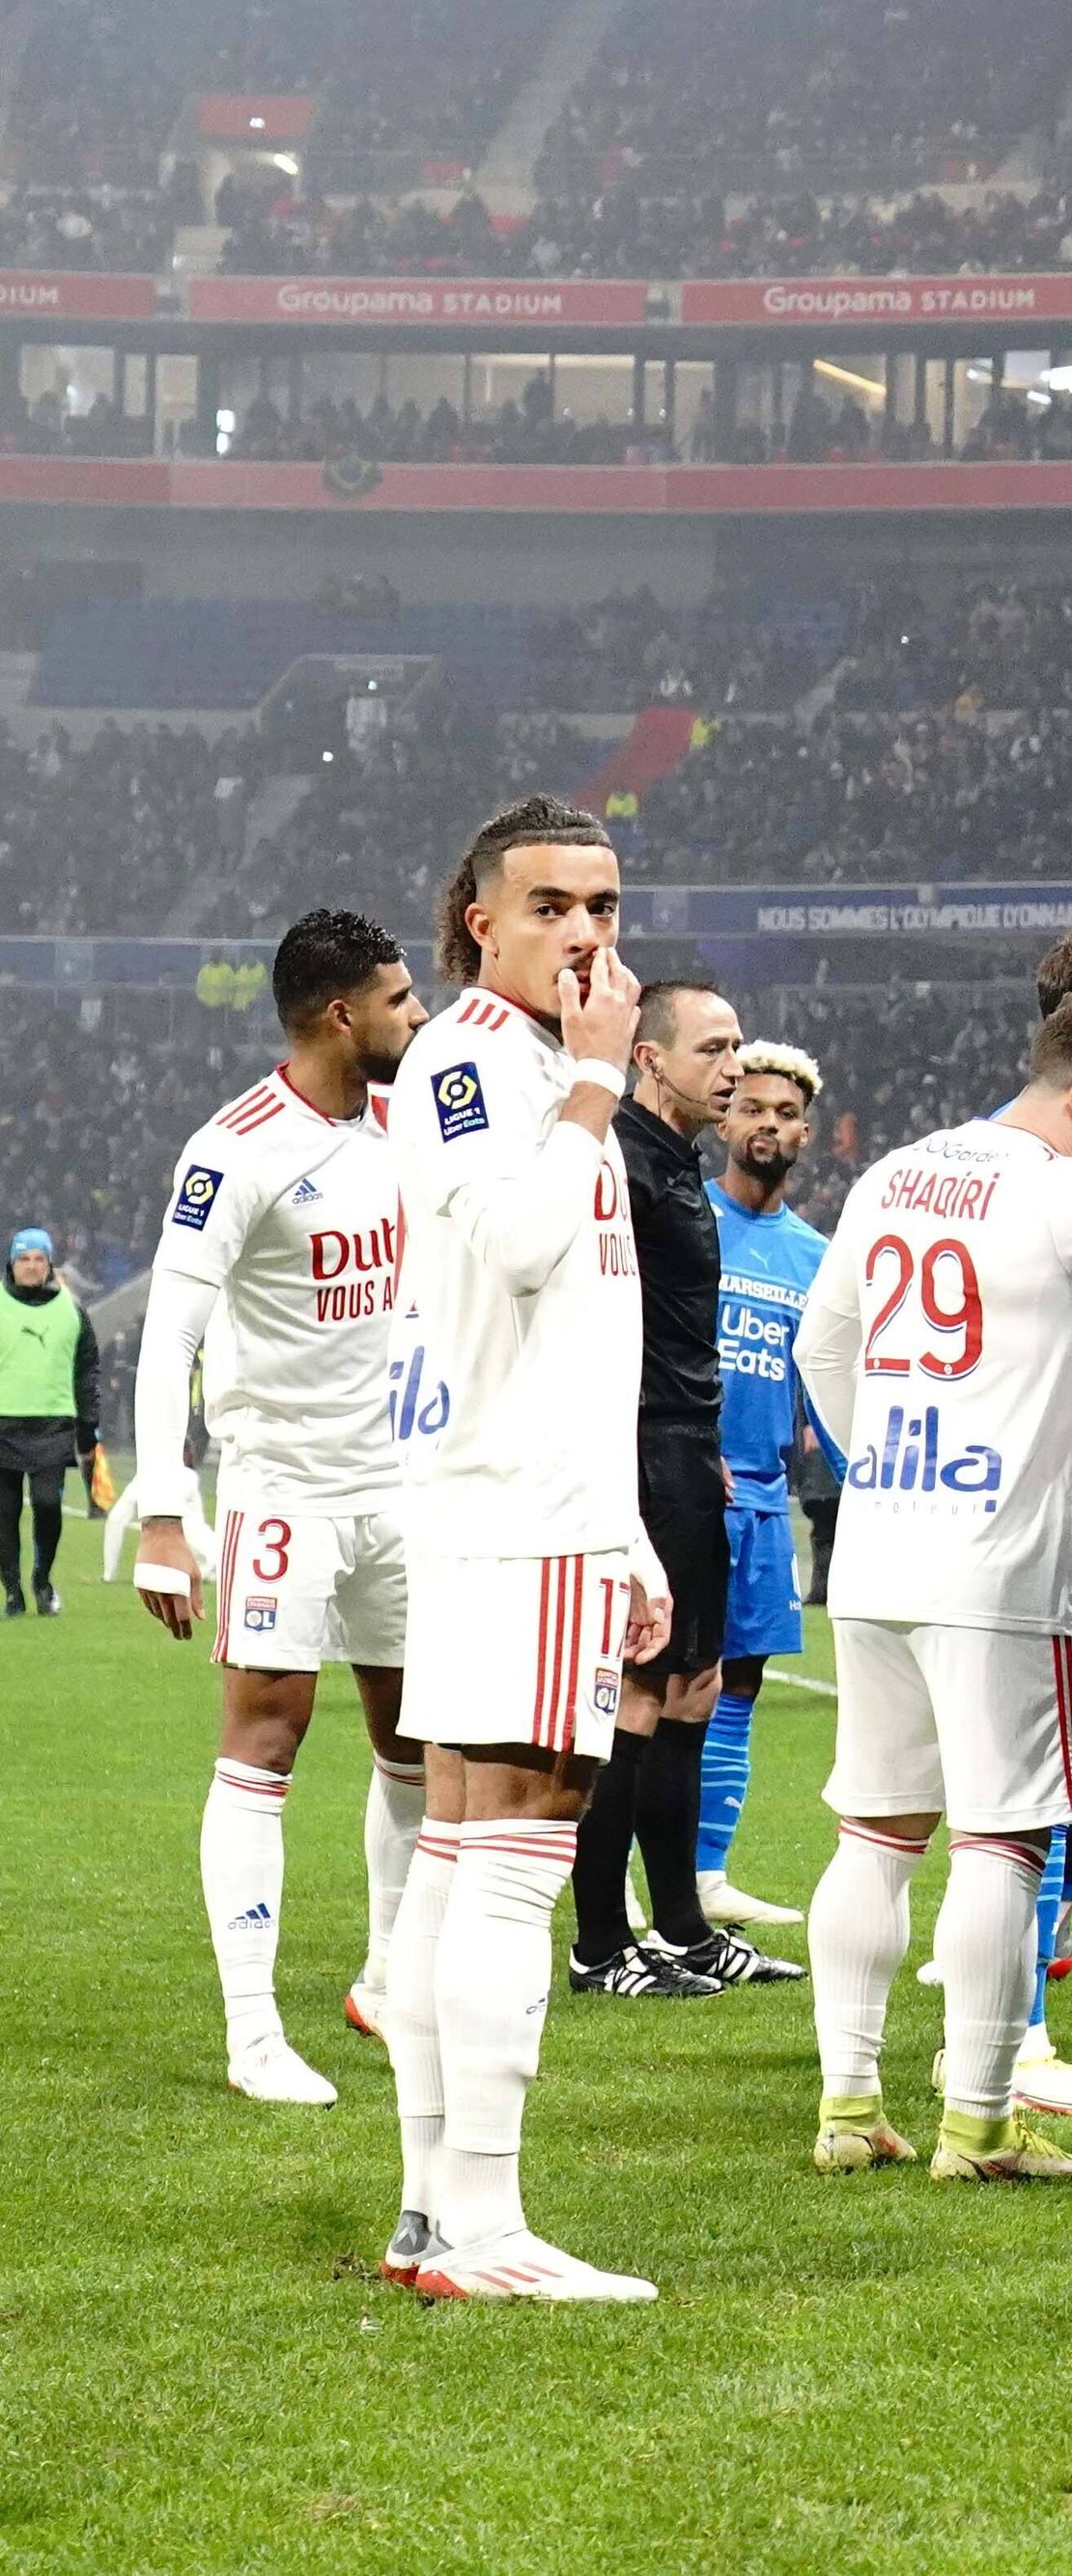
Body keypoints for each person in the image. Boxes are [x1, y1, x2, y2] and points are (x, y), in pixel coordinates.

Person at [792, 994, 1072, 2186]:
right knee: (1004, 1840)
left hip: (879, 1555)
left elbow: (826, 1345)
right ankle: (977, 2122)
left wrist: (890, 1471)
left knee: (873, 1831)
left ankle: (848, 2107)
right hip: (1005, 1568)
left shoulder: (893, 1178)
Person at [379, 794, 669, 2303]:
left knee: (457, 1854)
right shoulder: (495, 1063)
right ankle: (489, 2224)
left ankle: (432, 2210)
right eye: (551, 904)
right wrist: (601, 1088)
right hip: (516, 1505)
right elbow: (519, 1247)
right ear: (478, 917)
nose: (585, 933)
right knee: (516, 1859)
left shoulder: (538, 1068)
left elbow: (566, 1324)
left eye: (604, 907)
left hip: (518, 1498)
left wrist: (624, 1522)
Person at [128, 908, 430, 2105]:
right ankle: (254, 2033)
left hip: (403, 1483)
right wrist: (164, 1511)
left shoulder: (411, 1122)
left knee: (415, 1740)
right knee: (269, 1738)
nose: (420, 1016)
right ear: (339, 1015)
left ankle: (389, 1978)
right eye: (401, 1000)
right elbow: (171, 1335)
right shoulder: (235, 1149)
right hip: (285, 1489)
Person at [569, 980, 795, 1999]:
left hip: (686, 1446)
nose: (735, 1066)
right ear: (650, 1058)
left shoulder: (675, 1163)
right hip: (641, 1445)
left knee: (692, 1684)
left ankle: (685, 1928)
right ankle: (600, 1945)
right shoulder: (613, 1156)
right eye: (714, 1047)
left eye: (738, 1044)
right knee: (636, 1693)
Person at [693, 1037, 828, 1930]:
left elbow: (822, 1390)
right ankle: (627, 1875)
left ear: (805, 1132)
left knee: (738, 1685)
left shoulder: (816, 1256)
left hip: (762, 1498)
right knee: (650, 1691)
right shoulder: (681, 1217)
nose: (767, 1123)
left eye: (784, 1113)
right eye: (752, 1107)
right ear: (724, 1118)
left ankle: (706, 1873)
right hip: (676, 1486)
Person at [0, 1223, 99, 1613]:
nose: (31, 1266)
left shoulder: (72, 1311)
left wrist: (89, 1429)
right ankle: (12, 1590)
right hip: (3, 1423)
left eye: (39, 1258)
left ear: (49, 1264)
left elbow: (86, 1370)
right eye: (23, 1258)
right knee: (5, 1514)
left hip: (53, 1423)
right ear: (11, 1263)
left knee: (46, 1504)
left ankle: (42, 1580)